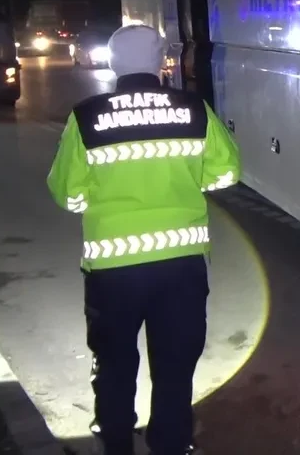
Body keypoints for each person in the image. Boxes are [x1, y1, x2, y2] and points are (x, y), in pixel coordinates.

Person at [47, 24, 240, 455]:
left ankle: (116, 441)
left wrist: (100, 203)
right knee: (175, 363)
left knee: (114, 362)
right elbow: (227, 172)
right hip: (182, 266)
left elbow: (67, 194)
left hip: (113, 271)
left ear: (115, 64)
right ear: (160, 64)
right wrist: (188, 182)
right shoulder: (193, 109)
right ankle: (170, 443)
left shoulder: (87, 117)